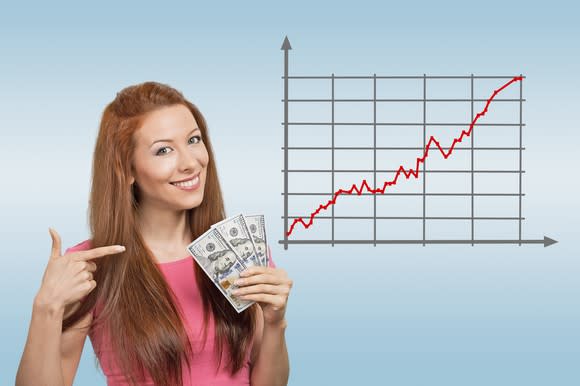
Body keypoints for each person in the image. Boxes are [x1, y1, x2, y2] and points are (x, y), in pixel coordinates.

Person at [15, 82, 292, 386]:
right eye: (164, 150)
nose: (190, 163)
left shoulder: (240, 250)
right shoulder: (93, 266)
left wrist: (275, 323)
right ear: (127, 169)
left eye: (194, 140)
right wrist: (46, 309)